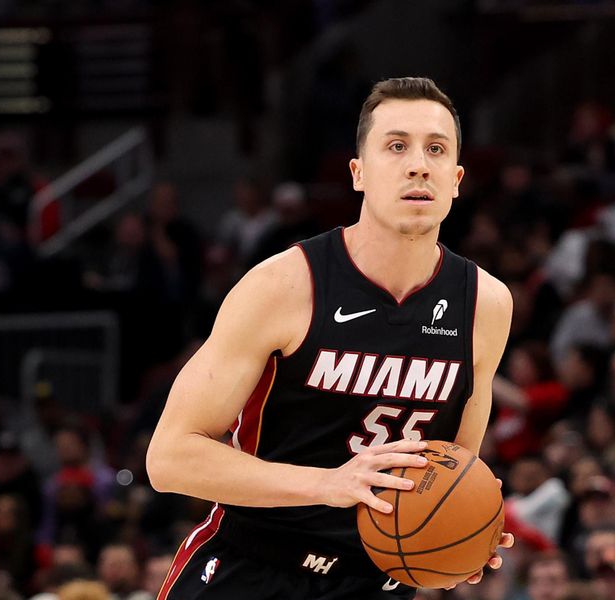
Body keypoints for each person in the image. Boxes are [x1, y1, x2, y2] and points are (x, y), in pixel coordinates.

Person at [146, 76, 514, 599]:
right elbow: (169, 458)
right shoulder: (284, 284)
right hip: (250, 569)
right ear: (358, 174)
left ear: (456, 179)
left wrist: (459, 533)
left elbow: (452, 463)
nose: (418, 164)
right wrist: (329, 484)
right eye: (396, 146)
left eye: (436, 149)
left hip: (374, 582)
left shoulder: (486, 304)